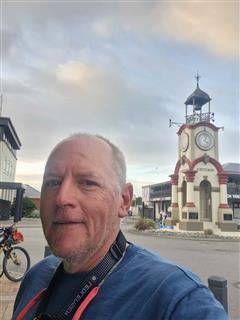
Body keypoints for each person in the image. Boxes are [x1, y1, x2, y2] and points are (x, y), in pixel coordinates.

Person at [13, 133, 228, 320]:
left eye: (87, 182)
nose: (62, 197)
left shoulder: (177, 300)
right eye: (52, 182)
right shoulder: (36, 277)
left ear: (124, 201)